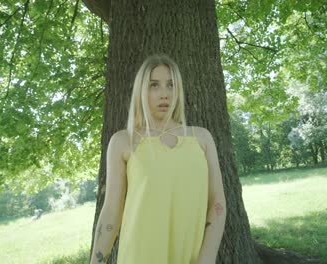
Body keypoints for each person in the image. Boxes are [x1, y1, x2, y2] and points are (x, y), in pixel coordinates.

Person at [90, 54, 226, 264]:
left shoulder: (201, 138)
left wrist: (206, 259)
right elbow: (111, 212)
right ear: (141, 90)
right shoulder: (124, 141)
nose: (164, 94)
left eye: (171, 85)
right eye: (154, 85)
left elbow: (217, 204)